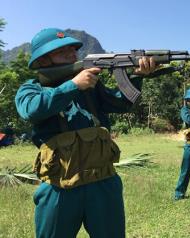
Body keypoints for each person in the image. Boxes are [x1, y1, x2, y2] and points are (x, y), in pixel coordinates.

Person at [15, 28, 157, 238]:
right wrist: (72, 86)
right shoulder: (31, 89)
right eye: (64, 52)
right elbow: (32, 109)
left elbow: (121, 103)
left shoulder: (90, 85)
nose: (73, 55)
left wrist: (136, 76)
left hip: (103, 181)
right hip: (59, 187)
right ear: (44, 61)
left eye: (74, 50)